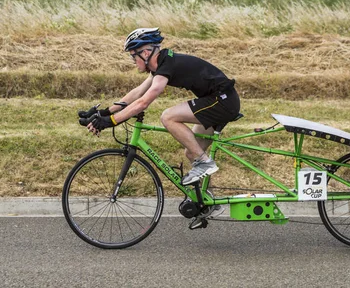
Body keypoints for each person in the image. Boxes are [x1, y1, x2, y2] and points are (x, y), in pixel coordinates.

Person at [83, 27, 240, 188]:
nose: (133, 62)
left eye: (133, 56)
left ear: (145, 54)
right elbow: (137, 93)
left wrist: (111, 121)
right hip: (217, 100)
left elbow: (143, 102)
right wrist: (104, 112)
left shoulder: (166, 66)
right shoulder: (162, 64)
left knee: (168, 117)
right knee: (191, 152)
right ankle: (206, 201)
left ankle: (205, 163)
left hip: (222, 101)